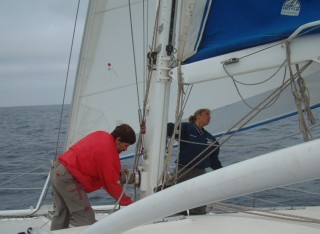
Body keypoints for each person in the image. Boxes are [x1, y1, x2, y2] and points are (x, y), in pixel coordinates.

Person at [50, 124, 136, 230]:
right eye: (125, 145)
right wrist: (129, 203)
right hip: (67, 178)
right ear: (118, 140)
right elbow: (111, 184)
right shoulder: (109, 151)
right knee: (86, 218)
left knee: (61, 213)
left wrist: (115, 171)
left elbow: (93, 159)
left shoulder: (101, 135)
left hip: (58, 169)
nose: (126, 149)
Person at [167, 108, 222, 215]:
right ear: (198, 115)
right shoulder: (187, 128)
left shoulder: (211, 139)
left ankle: (198, 217)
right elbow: (170, 129)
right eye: (207, 114)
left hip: (199, 171)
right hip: (183, 169)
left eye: (210, 116)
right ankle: (175, 215)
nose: (209, 117)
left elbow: (214, 160)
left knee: (199, 198)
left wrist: (221, 172)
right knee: (176, 196)